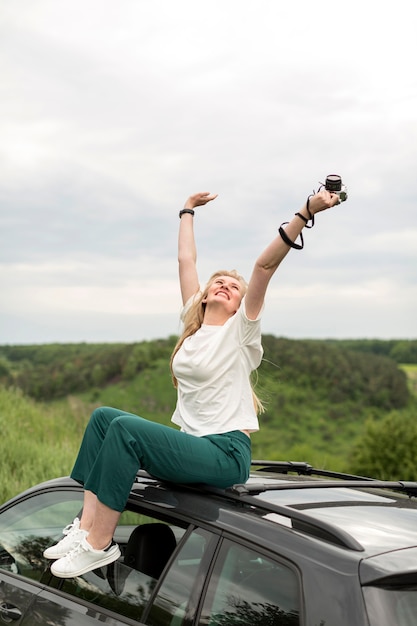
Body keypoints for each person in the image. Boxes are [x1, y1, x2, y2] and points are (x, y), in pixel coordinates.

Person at [44, 186, 340, 578]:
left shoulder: (240, 333)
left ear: (239, 305)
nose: (225, 287)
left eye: (234, 288)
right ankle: (84, 532)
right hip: (194, 446)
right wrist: (186, 210)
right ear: (203, 298)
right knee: (103, 418)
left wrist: (306, 210)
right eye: (217, 283)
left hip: (225, 453)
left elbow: (264, 268)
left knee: (125, 431)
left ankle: (100, 545)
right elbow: (187, 260)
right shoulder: (193, 329)